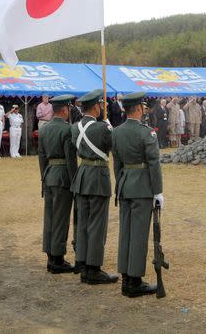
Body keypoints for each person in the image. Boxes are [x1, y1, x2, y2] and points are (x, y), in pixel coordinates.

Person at [112, 91, 163, 298]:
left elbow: (117, 164)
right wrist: (158, 191)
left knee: (126, 232)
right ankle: (134, 281)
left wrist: (120, 184)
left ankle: (126, 275)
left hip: (125, 185)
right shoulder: (146, 133)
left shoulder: (116, 132)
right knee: (139, 234)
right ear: (140, 109)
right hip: (142, 187)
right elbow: (153, 164)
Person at [69, 89, 118, 284]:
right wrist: (109, 128)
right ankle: (94, 268)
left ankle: (82, 262)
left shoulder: (74, 128)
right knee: (97, 224)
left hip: (82, 176)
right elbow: (113, 144)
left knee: (83, 223)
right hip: (97, 176)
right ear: (96, 107)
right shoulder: (102, 128)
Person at [38, 94, 77, 274]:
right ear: (65, 110)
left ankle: (50, 255)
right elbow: (70, 159)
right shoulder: (67, 129)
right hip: (63, 177)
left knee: (50, 218)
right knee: (61, 219)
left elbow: (41, 157)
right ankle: (57, 258)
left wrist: (43, 179)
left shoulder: (44, 129)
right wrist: (75, 181)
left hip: (49, 175)